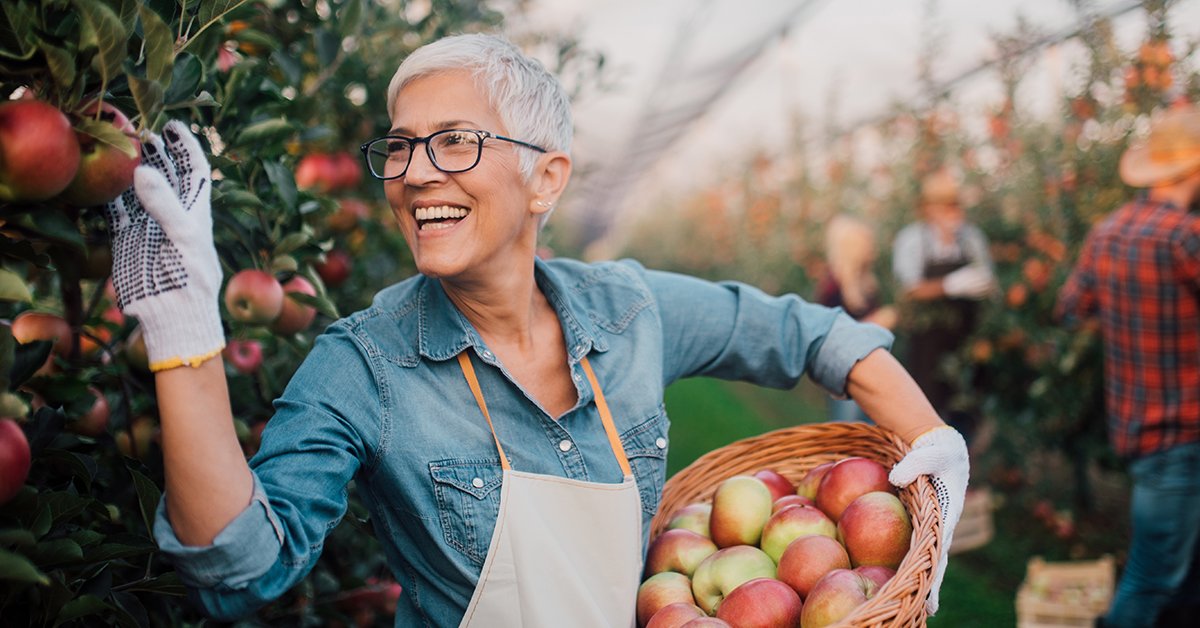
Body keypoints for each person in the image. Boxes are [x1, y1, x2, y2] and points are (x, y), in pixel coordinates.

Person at [104, 33, 969, 627]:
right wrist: (184, 337)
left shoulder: (630, 310)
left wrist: (929, 433)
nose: (412, 174)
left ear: (546, 178)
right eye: (400, 148)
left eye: (453, 142)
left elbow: (813, 334)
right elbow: (242, 569)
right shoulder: (365, 366)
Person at [1055, 104, 1200, 628]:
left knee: (1180, 577)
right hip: (1183, 430)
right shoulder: (1185, 236)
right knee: (1151, 579)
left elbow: (1069, 308)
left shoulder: (1108, 232)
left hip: (1137, 427)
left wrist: (1126, 313)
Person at [891, 169, 996, 444]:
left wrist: (983, 286)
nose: (953, 212)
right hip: (928, 345)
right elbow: (909, 290)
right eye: (946, 205)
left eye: (955, 204)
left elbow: (989, 280)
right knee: (928, 412)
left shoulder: (971, 238)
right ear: (928, 209)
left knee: (966, 409)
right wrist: (949, 285)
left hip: (964, 342)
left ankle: (966, 475)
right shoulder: (913, 240)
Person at [815, 213, 897, 423]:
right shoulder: (833, 287)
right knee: (849, 427)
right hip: (846, 373)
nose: (872, 247)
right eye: (866, 242)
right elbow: (832, 335)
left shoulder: (867, 283)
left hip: (869, 369)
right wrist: (875, 322)